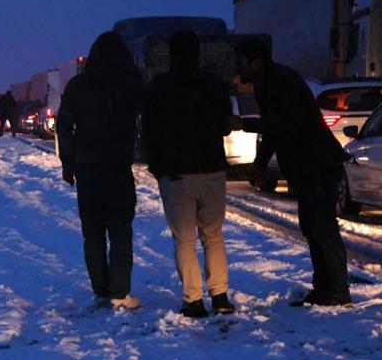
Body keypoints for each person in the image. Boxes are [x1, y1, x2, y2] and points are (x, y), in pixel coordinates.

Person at [232, 38, 352, 307]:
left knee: (322, 227)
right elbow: (276, 130)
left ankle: (337, 290)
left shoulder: (275, 82)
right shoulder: (271, 80)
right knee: (313, 226)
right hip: (310, 163)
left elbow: (285, 124)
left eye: (241, 63)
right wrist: (260, 163)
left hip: (316, 162)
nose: (238, 70)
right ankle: (324, 288)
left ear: (257, 62)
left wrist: (245, 124)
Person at [143, 30, 237, 317]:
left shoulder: (160, 86)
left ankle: (193, 300)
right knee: (213, 235)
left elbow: (150, 131)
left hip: (177, 174)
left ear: (171, 54)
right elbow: (225, 125)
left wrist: (158, 166)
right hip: (211, 169)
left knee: (184, 238)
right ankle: (220, 296)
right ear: (198, 53)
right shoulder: (214, 85)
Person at [57, 31, 145, 310]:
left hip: (87, 170)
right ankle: (120, 292)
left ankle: (100, 289)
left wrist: (68, 164)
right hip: (118, 168)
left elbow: (64, 127)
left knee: (92, 233)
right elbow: (150, 117)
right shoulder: (130, 86)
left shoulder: (78, 86)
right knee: (120, 231)